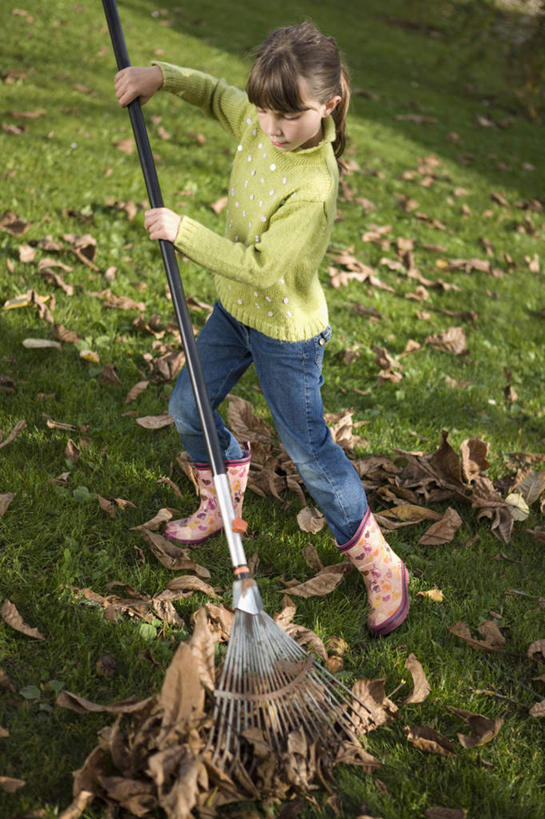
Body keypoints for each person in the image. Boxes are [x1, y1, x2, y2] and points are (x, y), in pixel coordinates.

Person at [114, 21, 409, 636]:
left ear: (327, 106)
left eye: (289, 117)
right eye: (265, 111)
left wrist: (184, 231)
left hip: (286, 334)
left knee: (309, 451)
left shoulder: (314, 183)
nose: (271, 129)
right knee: (188, 407)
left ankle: (380, 564)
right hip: (233, 313)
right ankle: (224, 486)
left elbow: (264, 268)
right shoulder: (257, 116)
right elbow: (219, 94)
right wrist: (161, 78)